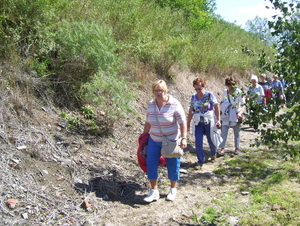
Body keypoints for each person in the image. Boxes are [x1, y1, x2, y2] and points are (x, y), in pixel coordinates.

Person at [143, 80, 187, 202]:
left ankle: (173, 189)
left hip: (171, 140)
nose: (158, 93)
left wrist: (183, 138)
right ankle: (154, 191)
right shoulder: (151, 104)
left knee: (173, 165)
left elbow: (182, 123)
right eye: (156, 90)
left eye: (161, 90)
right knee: (150, 163)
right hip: (154, 139)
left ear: (166, 91)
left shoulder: (174, 104)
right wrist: (144, 137)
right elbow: (148, 121)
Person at [187, 78, 221, 169]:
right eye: (196, 89)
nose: (198, 91)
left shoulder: (209, 95)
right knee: (198, 142)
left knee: (211, 140)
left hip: (208, 121)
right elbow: (191, 110)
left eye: (200, 88)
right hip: (198, 122)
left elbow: (216, 107)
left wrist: (218, 120)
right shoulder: (194, 97)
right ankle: (200, 161)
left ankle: (213, 153)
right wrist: (188, 124)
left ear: (204, 87)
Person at [218, 77, 246, 156]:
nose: (230, 87)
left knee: (236, 132)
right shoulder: (225, 92)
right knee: (224, 131)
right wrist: (220, 111)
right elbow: (222, 101)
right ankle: (222, 148)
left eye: (232, 85)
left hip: (236, 114)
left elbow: (244, 105)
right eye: (229, 85)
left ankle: (237, 147)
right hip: (226, 114)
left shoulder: (239, 92)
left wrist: (240, 113)